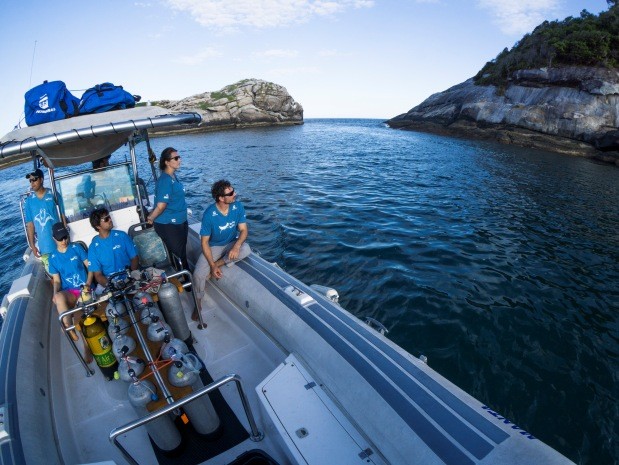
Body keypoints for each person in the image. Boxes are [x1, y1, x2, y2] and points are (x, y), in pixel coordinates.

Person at [193, 180, 251, 305]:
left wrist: (236, 246)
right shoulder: (209, 214)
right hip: (214, 246)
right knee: (198, 274)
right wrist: (211, 265)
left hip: (231, 243)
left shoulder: (238, 206)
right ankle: (198, 303)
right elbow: (204, 243)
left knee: (246, 249)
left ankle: (218, 263)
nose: (234, 194)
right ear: (221, 198)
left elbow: (244, 230)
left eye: (233, 190)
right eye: (230, 194)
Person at [49, 222, 93, 362]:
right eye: (60, 238)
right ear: (54, 238)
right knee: (58, 297)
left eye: (65, 237)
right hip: (69, 292)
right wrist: (55, 294)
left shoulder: (76, 248)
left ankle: (87, 348)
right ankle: (68, 327)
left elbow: (90, 267)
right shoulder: (53, 257)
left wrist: (88, 284)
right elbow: (56, 281)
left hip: (84, 289)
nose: (64, 241)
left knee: (81, 317)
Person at [146, 147, 189, 271]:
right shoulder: (165, 180)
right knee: (179, 255)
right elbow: (161, 206)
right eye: (176, 158)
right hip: (169, 224)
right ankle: (185, 280)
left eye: (179, 157)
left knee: (181, 252)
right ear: (167, 162)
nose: (179, 160)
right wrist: (150, 218)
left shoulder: (173, 176)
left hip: (179, 221)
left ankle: (184, 276)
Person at [87, 208, 139, 287]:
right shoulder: (93, 247)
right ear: (98, 226)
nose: (110, 220)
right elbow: (98, 275)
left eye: (109, 217)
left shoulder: (122, 236)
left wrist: (131, 276)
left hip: (129, 278)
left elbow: (134, 258)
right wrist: (111, 285)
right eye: (106, 219)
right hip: (110, 284)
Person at [24, 168, 62, 271]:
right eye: (30, 180)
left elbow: (62, 214)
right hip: (44, 247)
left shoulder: (53, 194)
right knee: (53, 274)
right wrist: (32, 245)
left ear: (41, 179)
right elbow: (30, 225)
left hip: (60, 242)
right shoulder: (28, 202)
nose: (32, 183)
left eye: (34, 179)